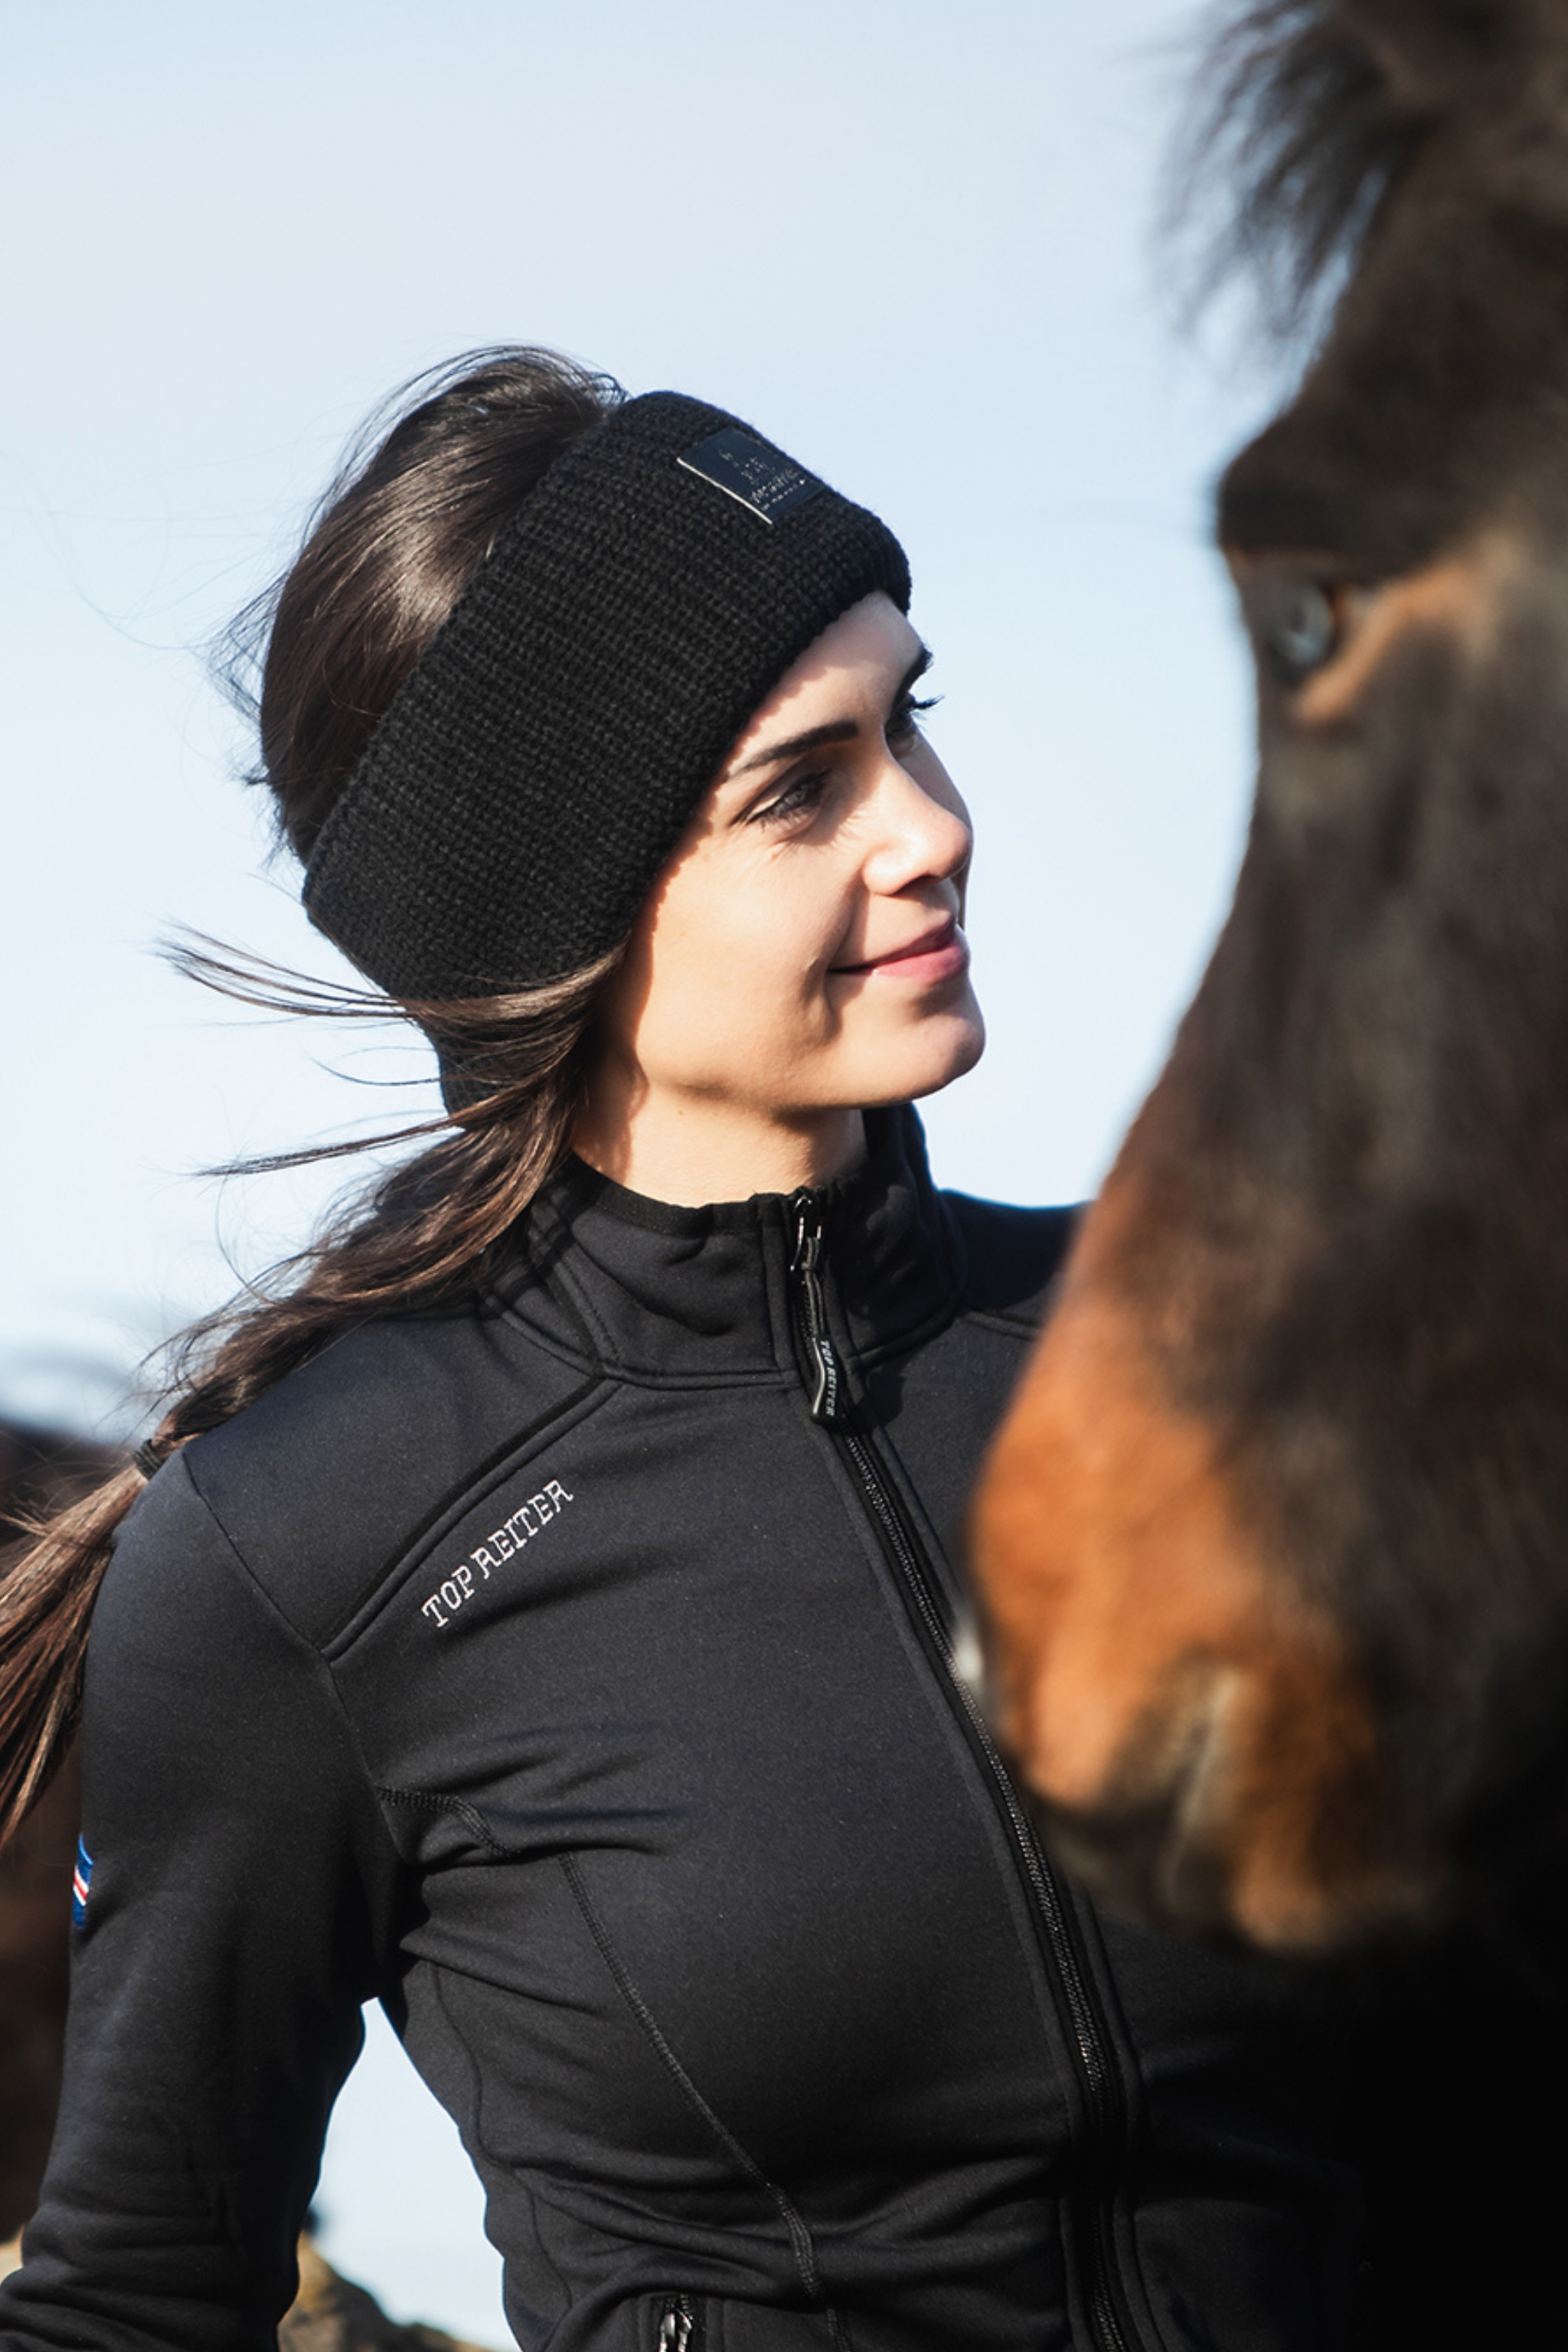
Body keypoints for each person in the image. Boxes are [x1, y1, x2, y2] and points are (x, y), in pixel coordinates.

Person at [0, 348, 1370, 2352]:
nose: (929, 830)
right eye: (799, 788)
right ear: (555, 905)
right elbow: (136, 2307)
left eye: (913, 724)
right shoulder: (314, 1545)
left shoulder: (1218, 1356)